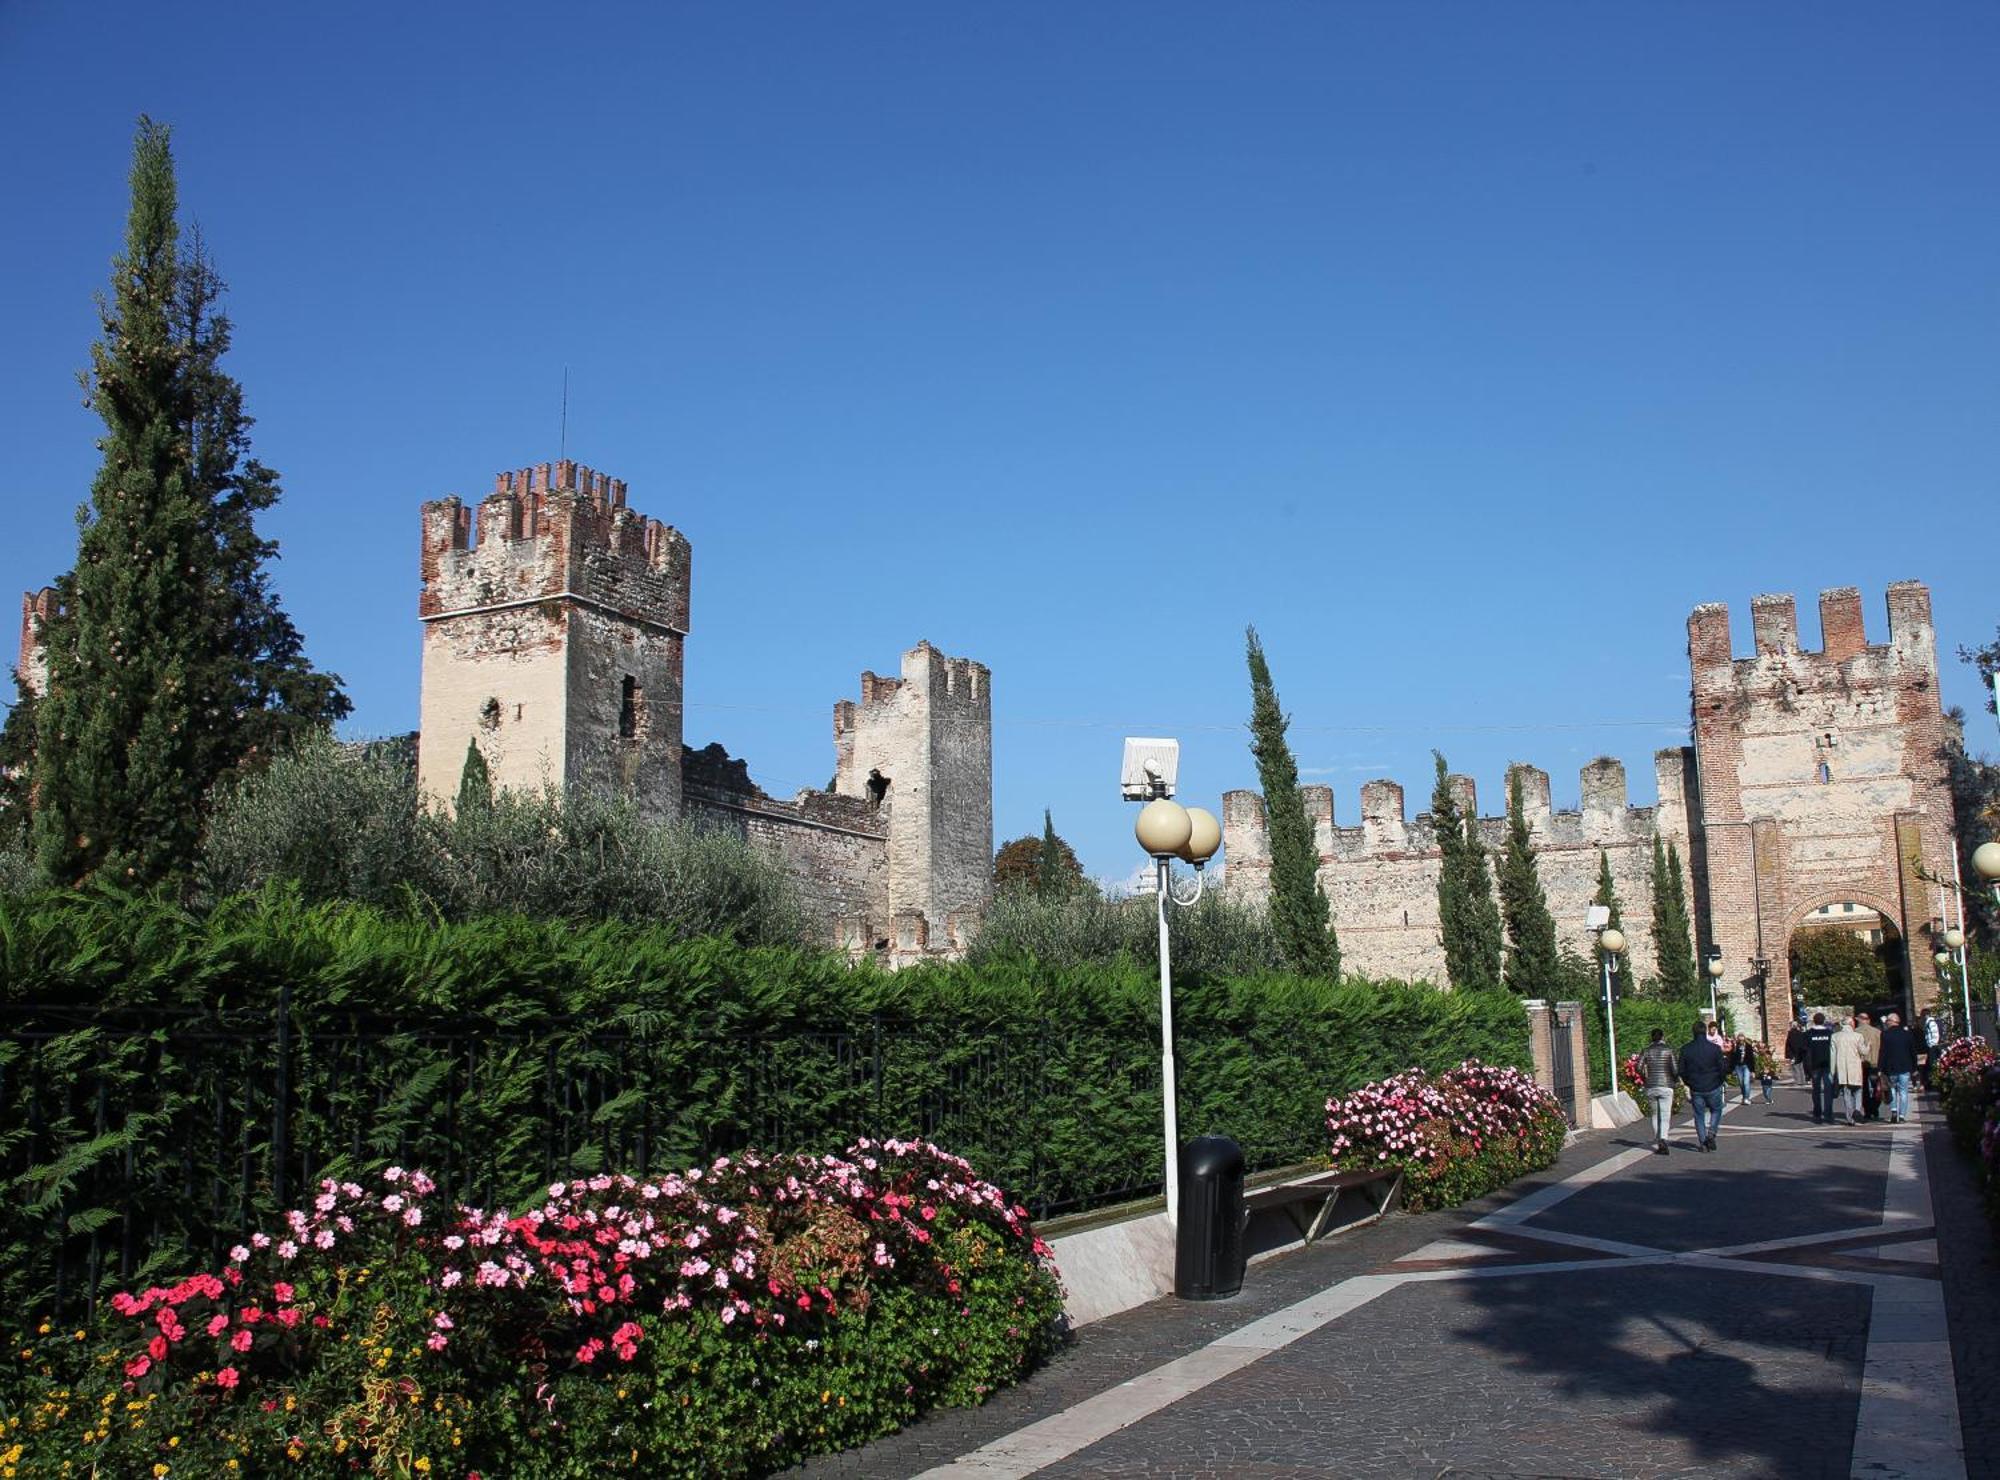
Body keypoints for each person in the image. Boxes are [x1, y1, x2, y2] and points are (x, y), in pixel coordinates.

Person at [1680, 1020, 1728, 1151]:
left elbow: (1682, 1070)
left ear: (1693, 1032)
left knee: (1699, 1115)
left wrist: (1689, 1082)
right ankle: (1711, 1133)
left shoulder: (1686, 1049)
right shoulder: (1715, 1049)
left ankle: (1702, 1142)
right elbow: (1722, 1068)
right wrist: (1720, 1080)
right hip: (1713, 1085)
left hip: (1696, 1086)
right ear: (1705, 1031)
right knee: (1717, 1110)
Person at [1637, 1028, 1680, 1154]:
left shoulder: (1646, 1051)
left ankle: (1658, 1139)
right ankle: (1663, 1138)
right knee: (1665, 1115)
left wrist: (1646, 1079)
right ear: (1662, 1037)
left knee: (1655, 1114)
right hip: (1666, 1086)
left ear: (1651, 1038)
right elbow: (1676, 1070)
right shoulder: (1669, 1050)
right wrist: (1674, 1079)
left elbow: (1638, 1067)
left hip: (1651, 1086)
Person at [1877, 1012, 1918, 1123]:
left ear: (1891, 1022)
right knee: (1904, 1092)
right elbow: (1913, 1051)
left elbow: (1882, 1052)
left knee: (1892, 1090)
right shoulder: (1907, 1034)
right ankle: (1902, 1116)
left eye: (1887, 1021)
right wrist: (1915, 1068)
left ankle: (1894, 1111)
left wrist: (1880, 1068)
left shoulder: (1885, 1034)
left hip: (1891, 1067)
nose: (1886, 1023)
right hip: (1905, 1066)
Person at [1833, 1015, 1867, 1125]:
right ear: (1851, 1024)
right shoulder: (1858, 1036)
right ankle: (1857, 1110)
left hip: (1842, 1068)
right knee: (1858, 1091)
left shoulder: (1835, 1037)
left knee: (1847, 1093)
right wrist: (1869, 1046)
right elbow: (1864, 1052)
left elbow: (1832, 1055)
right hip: (1855, 1067)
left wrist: (1833, 1070)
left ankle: (1850, 1117)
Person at [1804, 1011, 1837, 1124]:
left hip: (1814, 1065)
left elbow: (1805, 1051)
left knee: (1816, 1090)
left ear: (1814, 1021)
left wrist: (1806, 1068)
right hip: (1828, 1064)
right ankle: (1828, 1114)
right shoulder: (1829, 1033)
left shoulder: (1809, 1034)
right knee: (1828, 1090)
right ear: (1824, 1021)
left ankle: (1817, 1114)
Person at [1855, 1011, 1883, 1121]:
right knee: (1878, 1087)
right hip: (1875, 1063)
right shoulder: (1878, 1032)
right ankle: (1875, 1108)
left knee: (1864, 1089)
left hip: (1862, 1064)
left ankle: (1867, 1110)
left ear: (1860, 1020)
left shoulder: (1856, 1032)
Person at [1726, 1033, 1757, 1106]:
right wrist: (1731, 1069)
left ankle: (1746, 1098)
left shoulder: (1748, 1047)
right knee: (1741, 1083)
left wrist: (1753, 1071)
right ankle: (1744, 1096)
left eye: (1742, 1040)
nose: (1741, 1041)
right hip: (1738, 1066)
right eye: (1739, 1040)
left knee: (1746, 1082)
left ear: (1744, 1039)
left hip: (1746, 1066)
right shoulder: (1735, 1047)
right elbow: (1732, 1059)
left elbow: (1751, 1059)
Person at [1920, 1011, 1942, 1092]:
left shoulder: (1931, 1023)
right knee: (1930, 1065)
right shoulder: (1928, 1022)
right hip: (1931, 1046)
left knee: (1932, 1065)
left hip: (1932, 1047)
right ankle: (1931, 1083)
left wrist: (1932, 1044)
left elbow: (1935, 1034)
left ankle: (1933, 1083)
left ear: (1926, 1015)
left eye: (1922, 1016)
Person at [1784, 1019, 1807, 1086]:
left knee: (1795, 1067)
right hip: (1800, 1052)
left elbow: (1791, 1044)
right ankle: (1802, 1080)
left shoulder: (1791, 1033)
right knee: (1801, 1067)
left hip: (1794, 1053)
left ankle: (1798, 1081)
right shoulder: (1800, 1033)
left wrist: (1792, 1055)